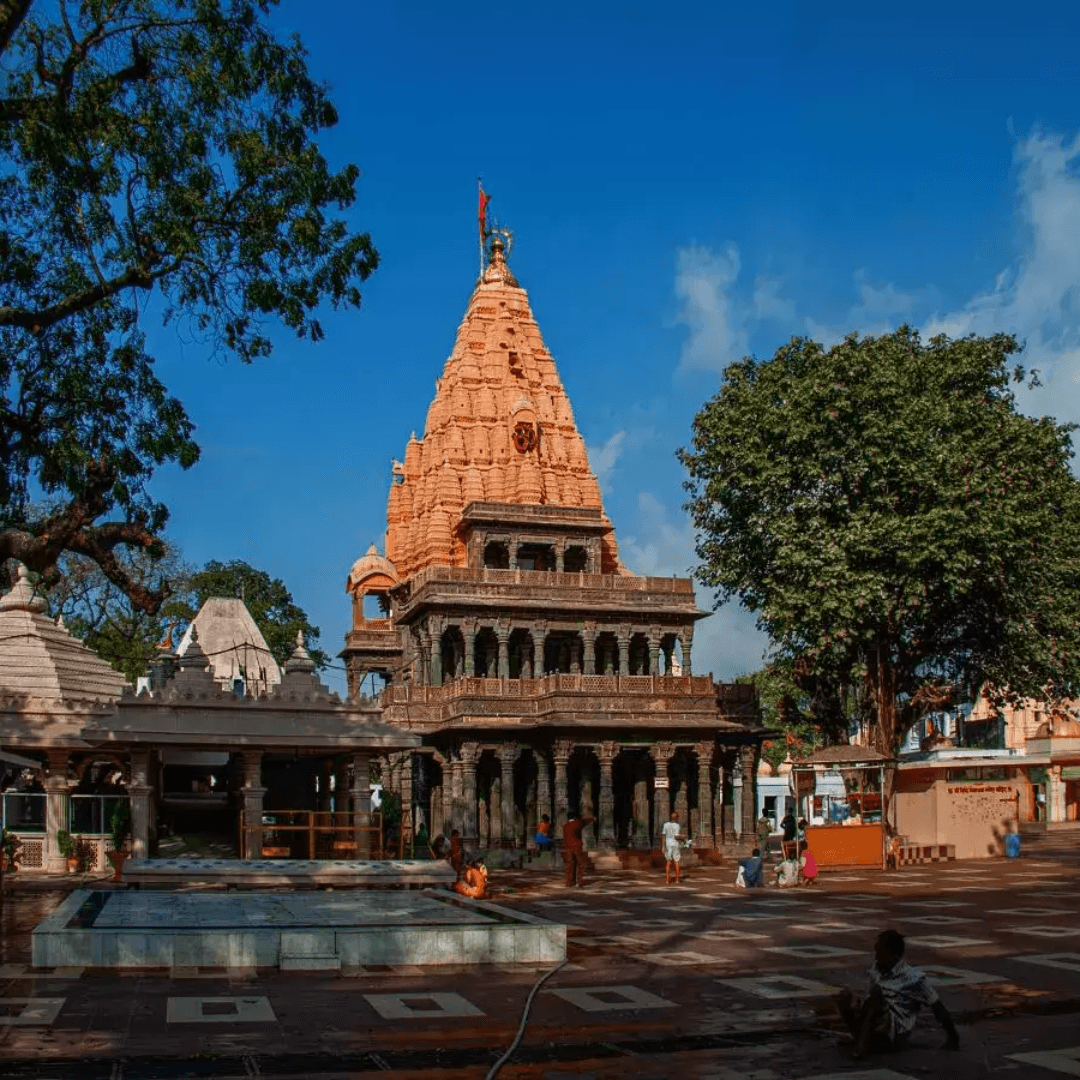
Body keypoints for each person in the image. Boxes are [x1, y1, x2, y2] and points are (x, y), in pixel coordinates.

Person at [836, 929, 959, 1059]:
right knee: (845, 997)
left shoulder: (914, 979)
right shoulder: (877, 969)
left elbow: (938, 1007)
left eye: (880, 953)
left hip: (894, 1036)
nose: (876, 957)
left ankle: (862, 1046)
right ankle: (861, 1038)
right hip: (876, 1024)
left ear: (893, 956)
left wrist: (953, 1038)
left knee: (877, 995)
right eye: (876, 951)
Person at [562, 810, 595, 887]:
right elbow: (584, 822)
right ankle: (579, 881)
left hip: (568, 848)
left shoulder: (565, 826)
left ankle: (569, 882)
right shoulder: (577, 823)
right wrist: (592, 818)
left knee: (570, 865)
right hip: (577, 847)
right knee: (580, 865)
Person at [661, 810, 683, 884]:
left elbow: (663, 835)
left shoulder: (665, 825)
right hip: (675, 844)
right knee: (676, 862)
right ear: (676, 818)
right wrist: (683, 837)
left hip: (668, 844)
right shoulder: (677, 826)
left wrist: (663, 846)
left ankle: (667, 879)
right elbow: (676, 836)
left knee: (668, 862)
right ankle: (677, 879)